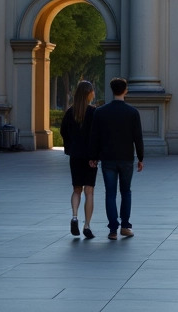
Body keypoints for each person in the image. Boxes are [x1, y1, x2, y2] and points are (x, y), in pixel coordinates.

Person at [89, 77, 144, 240]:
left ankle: (113, 229)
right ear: (125, 90)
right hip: (126, 158)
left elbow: (95, 137)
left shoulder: (100, 112)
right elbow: (137, 138)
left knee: (110, 193)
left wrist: (93, 156)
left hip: (107, 158)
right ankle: (125, 226)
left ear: (112, 90)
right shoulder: (132, 112)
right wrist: (140, 157)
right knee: (126, 192)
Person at [60, 80, 98, 238]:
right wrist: (95, 156)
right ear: (89, 93)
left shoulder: (70, 112)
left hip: (75, 156)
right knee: (89, 191)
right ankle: (87, 225)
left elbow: (63, 132)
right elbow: (97, 136)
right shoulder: (94, 112)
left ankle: (74, 216)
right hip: (90, 158)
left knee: (77, 189)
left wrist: (70, 148)